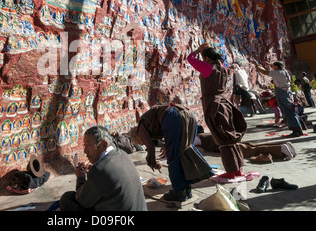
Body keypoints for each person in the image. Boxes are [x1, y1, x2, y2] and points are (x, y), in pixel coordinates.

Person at [129, 102, 213, 202]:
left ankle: (179, 193)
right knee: (185, 151)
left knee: (174, 156)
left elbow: (150, 146)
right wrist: (165, 145)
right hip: (188, 115)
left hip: (173, 117)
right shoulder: (149, 122)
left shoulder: (140, 128)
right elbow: (163, 133)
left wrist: (152, 163)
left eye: (140, 141)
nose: (143, 143)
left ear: (137, 136)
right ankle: (187, 189)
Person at [187, 43, 247, 182]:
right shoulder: (223, 68)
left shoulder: (208, 68)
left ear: (207, 58)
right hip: (224, 103)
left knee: (222, 139)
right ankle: (238, 169)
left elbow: (190, 59)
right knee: (229, 136)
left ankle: (231, 172)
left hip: (213, 104)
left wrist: (198, 50)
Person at [59, 126, 147, 211]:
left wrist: (80, 178)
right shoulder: (122, 154)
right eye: (84, 145)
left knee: (67, 199)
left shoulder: (99, 170)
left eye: (88, 145)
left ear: (103, 145)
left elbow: (82, 201)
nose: (85, 151)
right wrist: (92, 175)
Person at [254, 60, 304, 137]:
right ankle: (298, 129)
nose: (272, 67)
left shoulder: (277, 73)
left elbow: (264, 72)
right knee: (291, 111)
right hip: (287, 92)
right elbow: (274, 68)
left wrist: (256, 65)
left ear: (277, 67)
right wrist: (269, 64)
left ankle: (295, 130)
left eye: (273, 66)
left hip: (282, 93)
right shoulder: (285, 71)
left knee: (288, 112)